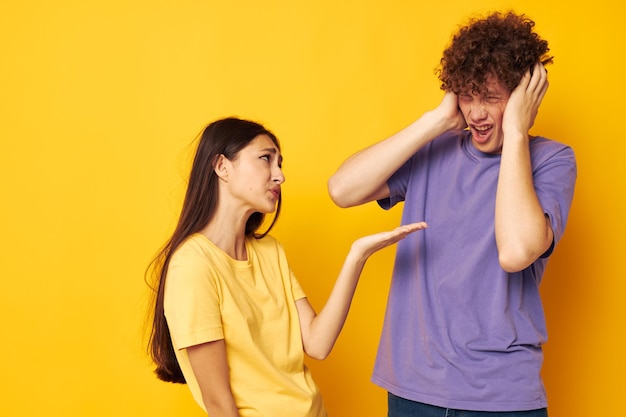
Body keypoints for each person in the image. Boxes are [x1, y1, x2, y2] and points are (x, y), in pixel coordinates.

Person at [327, 11, 577, 416]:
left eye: (492, 98)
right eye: (467, 94)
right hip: (413, 390)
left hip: (501, 397)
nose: (476, 113)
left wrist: (515, 132)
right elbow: (342, 189)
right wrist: (437, 121)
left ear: (522, 98)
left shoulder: (550, 160)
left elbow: (515, 252)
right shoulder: (433, 150)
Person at [146, 117, 426, 417]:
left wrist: (356, 257)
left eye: (280, 163)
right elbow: (219, 404)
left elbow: (317, 344)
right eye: (266, 159)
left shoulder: (270, 252)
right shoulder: (193, 265)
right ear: (222, 166)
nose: (279, 176)